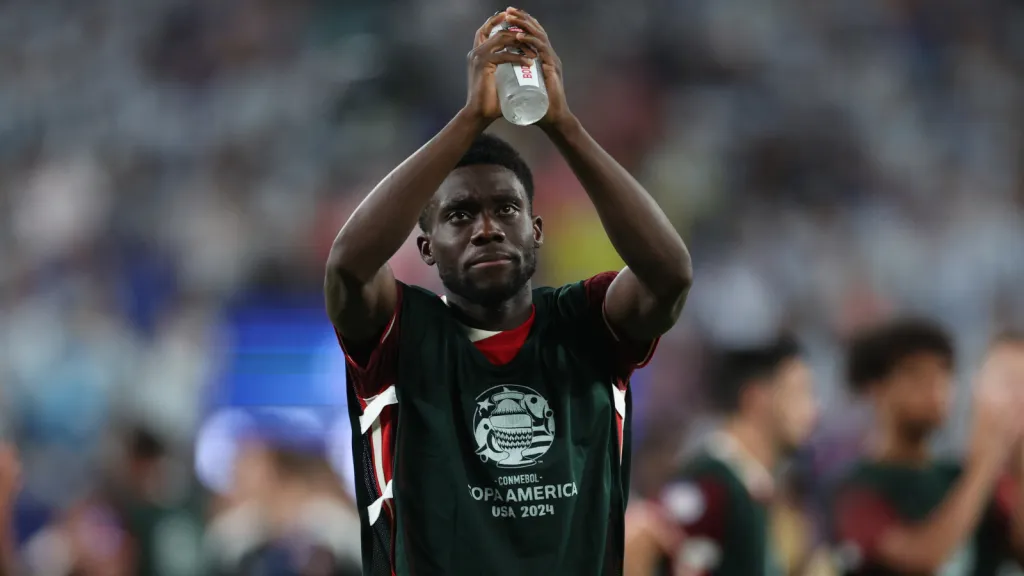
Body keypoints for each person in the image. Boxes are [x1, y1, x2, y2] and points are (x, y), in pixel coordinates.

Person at [324, 7, 691, 574]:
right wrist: (470, 119)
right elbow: (347, 268)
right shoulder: (399, 333)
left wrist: (564, 125)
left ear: (536, 232)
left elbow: (669, 274)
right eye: (460, 215)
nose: (487, 227)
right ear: (426, 250)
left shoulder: (585, 322)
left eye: (507, 208)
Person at [829, 319, 1024, 575]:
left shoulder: (958, 476)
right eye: (915, 374)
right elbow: (922, 559)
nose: (936, 387)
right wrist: (985, 463)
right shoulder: (858, 489)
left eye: (944, 372)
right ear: (875, 389)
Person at [644, 336, 819, 575]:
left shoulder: (754, 488)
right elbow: (642, 538)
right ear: (756, 398)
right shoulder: (712, 482)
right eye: (800, 392)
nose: (813, 409)